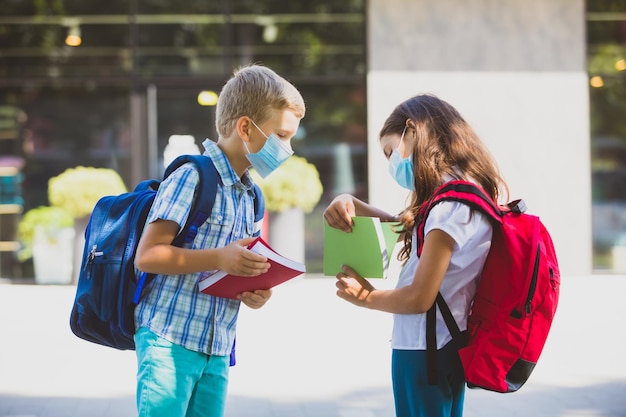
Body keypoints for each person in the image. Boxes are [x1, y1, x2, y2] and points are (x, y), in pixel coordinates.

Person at [133, 64, 306, 417]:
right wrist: (219, 259)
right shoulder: (191, 177)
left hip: (217, 347)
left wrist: (256, 287)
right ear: (246, 127)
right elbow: (148, 256)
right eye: (282, 136)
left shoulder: (251, 195)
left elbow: (233, 264)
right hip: (169, 340)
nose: (286, 149)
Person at [323, 94, 508, 417]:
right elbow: (412, 229)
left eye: (390, 151)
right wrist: (351, 201)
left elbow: (420, 298)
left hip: (424, 351)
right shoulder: (462, 195)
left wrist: (364, 296)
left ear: (412, 131)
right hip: (446, 346)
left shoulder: (450, 207)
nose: (392, 163)